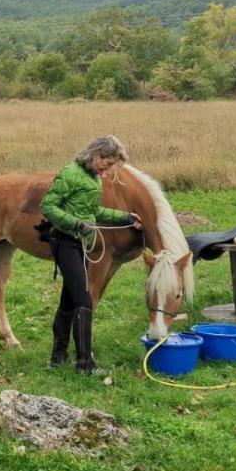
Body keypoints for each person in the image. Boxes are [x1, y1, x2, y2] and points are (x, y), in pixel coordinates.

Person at [40, 135, 143, 374]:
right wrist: (76, 225)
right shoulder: (70, 174)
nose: (106, 171)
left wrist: (125, 217)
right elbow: (47, 206)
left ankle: (58, 357)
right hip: (64, 241)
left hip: (80, 243)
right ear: (97, 154)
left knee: (68, 300)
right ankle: (85, 364)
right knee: (84, 300)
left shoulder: (92, 177)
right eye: (106, 165)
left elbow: (93, 210)